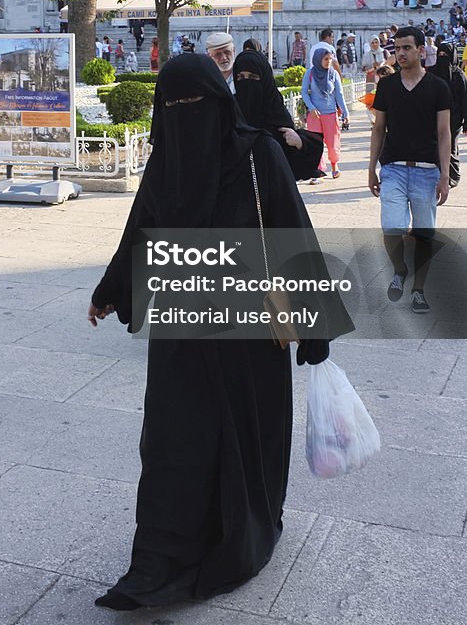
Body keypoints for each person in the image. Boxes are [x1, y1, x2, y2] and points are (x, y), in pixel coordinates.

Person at [87, 55, 353, 610]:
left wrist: (316, 326)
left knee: (246, 433)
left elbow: (291, 231)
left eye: (196, 105)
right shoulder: (168, 163)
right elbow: (142, 228)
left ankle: (245, 530)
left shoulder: (258, 155)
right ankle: (158, 560)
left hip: (251, 333)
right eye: (174, 108)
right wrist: (113, 290)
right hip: (182, 328)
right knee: (172, 438)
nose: (187, 118)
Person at [368, 26, 451, 313]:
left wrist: (444, 174)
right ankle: (400, 269)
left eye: (406, 48)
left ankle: (418, 290)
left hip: (427, 171)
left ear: (420, 50)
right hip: (393, 168)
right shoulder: (387, 86)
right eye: (397, 48)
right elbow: (378, 128)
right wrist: (370, 168)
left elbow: (444, 133)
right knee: (391, 226)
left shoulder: (438, 87)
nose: (400, 53)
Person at [232, 48, 323, 181]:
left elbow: (295, 163)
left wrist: (299, 142)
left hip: (275, 188)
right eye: (241, 77)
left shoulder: (275, 112)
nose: (247, 83)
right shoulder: (231, 110)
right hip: (238, 190)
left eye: (253, 77)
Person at [428, 41, 467, 187]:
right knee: (435, 146)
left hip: (454, 118)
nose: (443, 57)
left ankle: (452, 175)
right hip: (434, 117)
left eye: (446, 55)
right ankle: (438, 175)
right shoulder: (431, 73)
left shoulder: (459, 75)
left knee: (451, 146)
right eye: (440, 54)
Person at [301, 43, 349, 181]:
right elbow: (304, 92)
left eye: (330, 59)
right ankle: (318, 171)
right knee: (315, 144)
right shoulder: (310, 74)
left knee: (333, 143)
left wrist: (345, 112)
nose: (328, 62)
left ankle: (334, 165)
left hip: (330, 114)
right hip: (314, 115)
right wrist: (311, 107)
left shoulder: (333, 74)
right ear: (318, 59)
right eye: (325, 59)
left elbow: (339, 94)